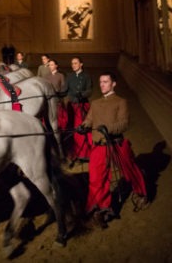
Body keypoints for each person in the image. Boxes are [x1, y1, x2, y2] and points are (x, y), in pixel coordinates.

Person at [78, 72, 148, 228]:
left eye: (106, 81)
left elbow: (123, 124)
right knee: (96, 179)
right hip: (99, 146)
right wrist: (83, 126)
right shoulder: (95, 103)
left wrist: (107, 128)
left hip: (116, 144)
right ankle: (101, 210)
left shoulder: (121, 102)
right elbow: (90, 119)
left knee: (130, 171)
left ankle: (142, 193)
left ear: (113, 84)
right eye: (100, 82)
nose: (102, 84)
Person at [65, 56, 92, 163]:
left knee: (84, 129)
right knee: (73, 129)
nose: (73, 65)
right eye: (72, 63)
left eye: (76, 63)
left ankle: (86, 154)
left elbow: (89, 90)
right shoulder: (69, 76)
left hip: (83, 106)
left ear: (81, 64)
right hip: (72, 105)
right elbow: (66, 91)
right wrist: (72, 98)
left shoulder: (86, 76)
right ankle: (75, 153)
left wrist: (81, 95)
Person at [45, 59, 68, 132]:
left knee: (58, 120)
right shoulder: (46, 76)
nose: (50, 66)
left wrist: (58, 93)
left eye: (52, 65)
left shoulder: (60, 76)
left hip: (58, 101)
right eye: (49, 65)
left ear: (56, 66)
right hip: (48, 102)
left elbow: (63, 88)